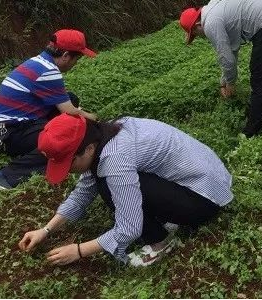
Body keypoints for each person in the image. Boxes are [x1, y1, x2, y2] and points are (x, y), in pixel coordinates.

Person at [18, 113, 233, 267]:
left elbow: (129, 227)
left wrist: (79, 251)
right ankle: (169, 216)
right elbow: (83, 192)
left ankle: (160, 242)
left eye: (69, 163)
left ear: (89, 148)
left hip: (204, 198)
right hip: (207, 178)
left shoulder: (114, 159)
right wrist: (46, 230)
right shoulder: (104, 135)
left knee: (107, 186)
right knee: (102, 181)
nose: (68, 171)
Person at [179, 0, 262, 137]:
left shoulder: (211, 23)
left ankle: (250, 132)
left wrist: (230, 84)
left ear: (197, 25)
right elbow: (230, 53)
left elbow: (227, 58)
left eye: (196, 34)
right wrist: (224, 81)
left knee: (260, 75)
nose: (200, 37)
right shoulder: (217, 11)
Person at [0, 29, 97, 189]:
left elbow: (67, 104)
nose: (76, 63)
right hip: (10, 133)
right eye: (77, 58)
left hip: (11, 125)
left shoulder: (38, 61)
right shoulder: (48, 71)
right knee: (59, 142)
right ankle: (8, 176)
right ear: (65, 55)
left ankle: (35, 144)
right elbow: (71, 112)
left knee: (70, 98)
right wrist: (95, 119)